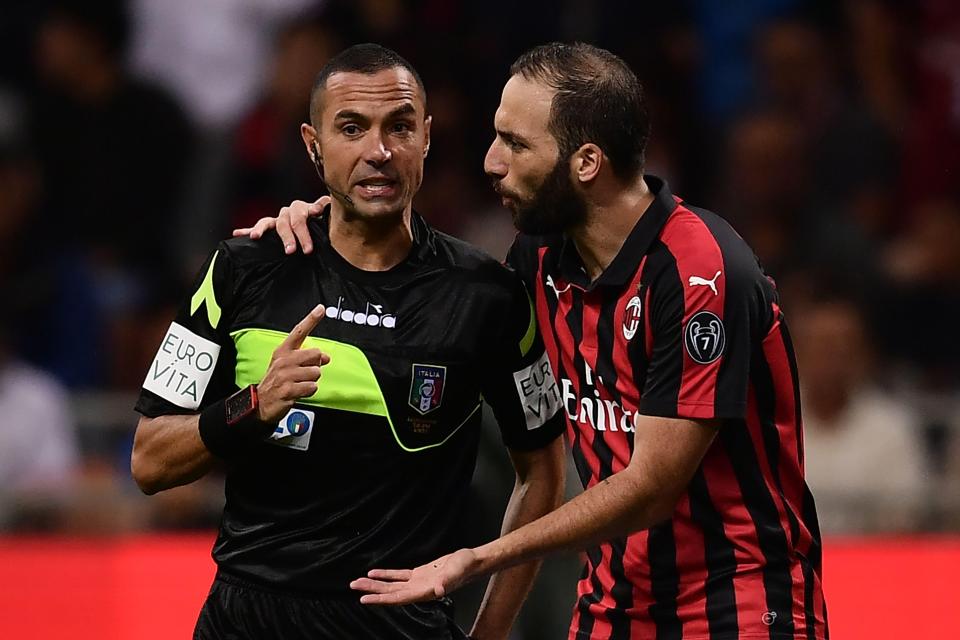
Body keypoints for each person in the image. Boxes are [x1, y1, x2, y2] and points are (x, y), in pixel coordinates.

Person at [257, 42, 827, 639]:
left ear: (585, 163)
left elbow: (652, 488)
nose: (490, 162)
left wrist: (480, 557)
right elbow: (422, 299)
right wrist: (323, 233)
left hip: (738, 607)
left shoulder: (700, 272)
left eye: (515, 143)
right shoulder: (539, 259)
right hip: (611, 610)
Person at [132, 43, 566, 640]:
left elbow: (542, 471)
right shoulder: (242, 268)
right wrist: (253, 406)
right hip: (248, 620)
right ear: (314, 146)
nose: (378, 152)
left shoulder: (488, 296)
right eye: (352, 128)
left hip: (401, 625)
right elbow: (149, 459)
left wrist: (489, 632)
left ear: (427, 138)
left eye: (400, 127)